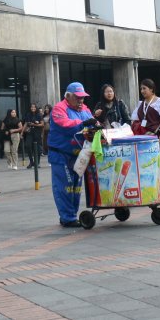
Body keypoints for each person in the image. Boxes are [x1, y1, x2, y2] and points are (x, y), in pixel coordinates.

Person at [47, 82, 95, 227]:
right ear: (68, 96)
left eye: (82, 97)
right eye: (77, 97)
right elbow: (66, 125)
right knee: (64, 187)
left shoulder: (84, 108)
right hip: (61, 154)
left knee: (76, 188)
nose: (81, 100)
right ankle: (67, 218)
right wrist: (83, 124)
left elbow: (92, 122)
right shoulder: (59, 109)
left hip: (78, 154)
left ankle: (71, 216)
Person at [131, 78, 160, 196]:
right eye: (141, 89)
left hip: (156, 137)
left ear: (152, 89)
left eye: (144, 88)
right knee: (147, 163)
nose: (142, 91)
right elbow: (135, 119)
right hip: (143, 138)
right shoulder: (141, 104)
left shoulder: (159, 102)